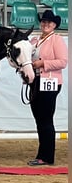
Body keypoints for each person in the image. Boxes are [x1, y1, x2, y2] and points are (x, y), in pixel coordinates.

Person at [27, 10, 68, 166]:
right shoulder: (34, 40)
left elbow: (63, 62)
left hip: (49, 81)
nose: (45, 24)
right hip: (36, 81)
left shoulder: (56, 40)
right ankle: (42, 154)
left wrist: (43, 63)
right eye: (43, 22)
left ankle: (47, 156)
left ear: (54, 25)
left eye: (49, 23)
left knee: (45, 119)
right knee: (40, 119)